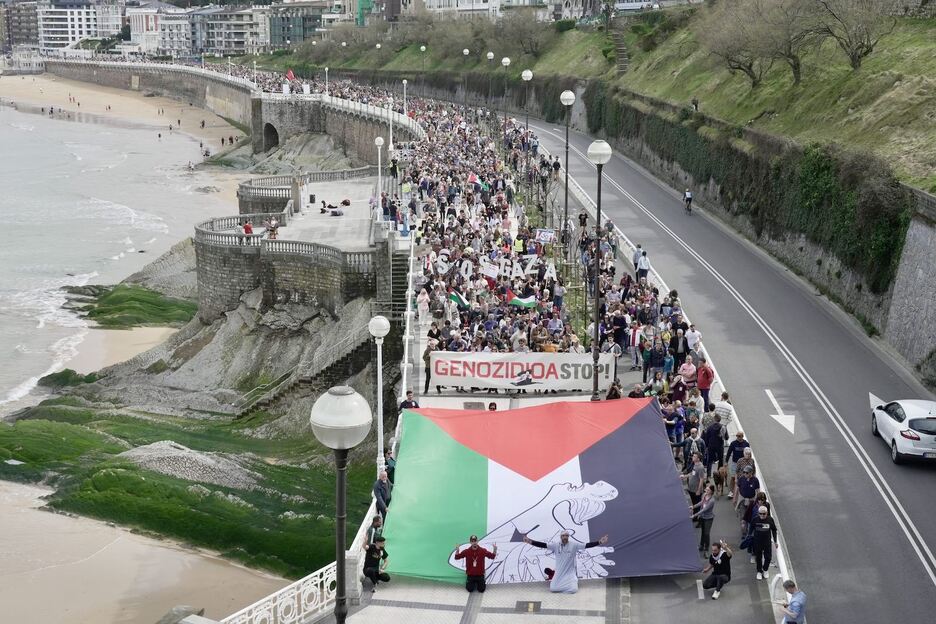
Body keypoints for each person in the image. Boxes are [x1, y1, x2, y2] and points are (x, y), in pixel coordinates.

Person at [522, 531, 609, 594]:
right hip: (559, 572)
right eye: (563, 535)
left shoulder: (574, 545)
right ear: (561, 537)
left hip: (570, 573)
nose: (565, 537)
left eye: (566, 535)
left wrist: (600, 542)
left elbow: (587, 545)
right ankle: (567, 585)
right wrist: (529, 541)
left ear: (568, 537)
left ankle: (571, 583)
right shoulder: (555, 545)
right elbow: (543, 545)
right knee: (553, 589)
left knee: (574, 590)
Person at [750, 505, 778, 580]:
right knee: (758, 557)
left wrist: (775, 541)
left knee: (768, 557)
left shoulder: (770, 520)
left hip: (767, 542)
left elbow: (774, 530)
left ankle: (765, 569)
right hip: (757, 542)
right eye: (760, 513)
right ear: (758, 513)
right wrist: (749, 537)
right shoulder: (755, 520)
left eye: (764, 514)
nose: (762, 515)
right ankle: (759, 571)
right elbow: (751, 529)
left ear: (767, 513)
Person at [691, 484, 716, 554]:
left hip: (709, 519)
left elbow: (704, 509)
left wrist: (694, 515)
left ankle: (706, 549)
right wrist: (693, 506)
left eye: (708, 490)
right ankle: (701, 546)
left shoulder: (712, 501)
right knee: (703, 532)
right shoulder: (704, 495)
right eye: (706, 489)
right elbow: (701, 503)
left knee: (706, 534)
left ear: (711, 491)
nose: (706, 491)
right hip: (702, 517)